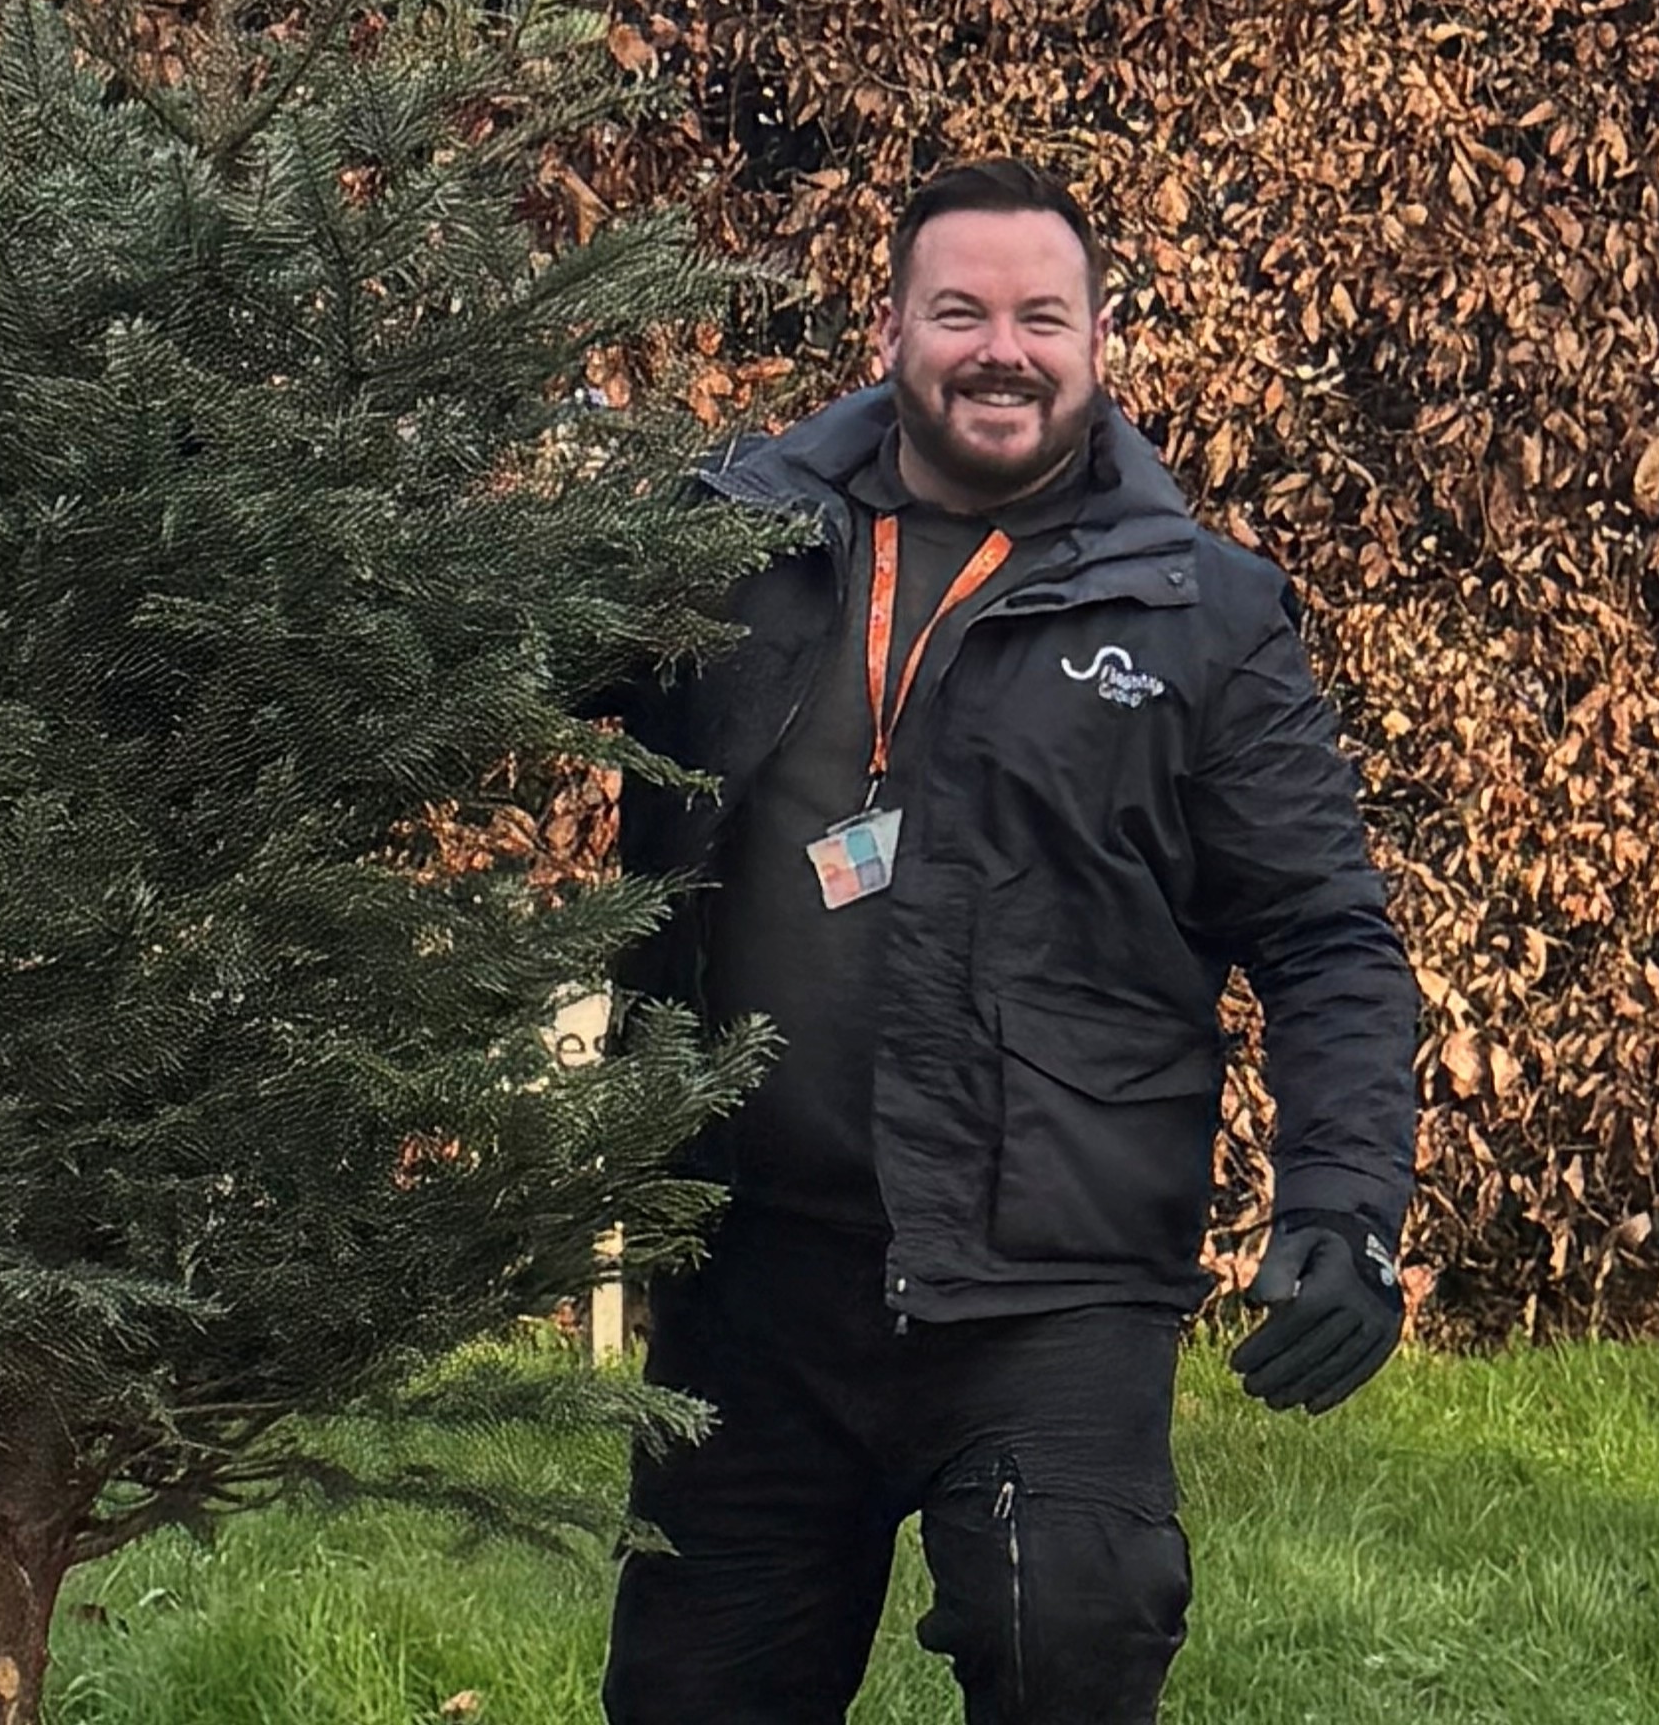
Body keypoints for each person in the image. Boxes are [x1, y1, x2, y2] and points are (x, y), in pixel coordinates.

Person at [598, 160, 1423, 1722]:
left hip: (1051, 1285)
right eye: (959, 309)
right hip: (756, 1275)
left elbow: (1326, 942)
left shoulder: (1204, 616)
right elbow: (460, 647)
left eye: (1041, 314)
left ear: (1098, 338)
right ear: (890, 327)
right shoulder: (724, 546)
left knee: (1070, 1632)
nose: (1002, 347)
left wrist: (1344, 1208)